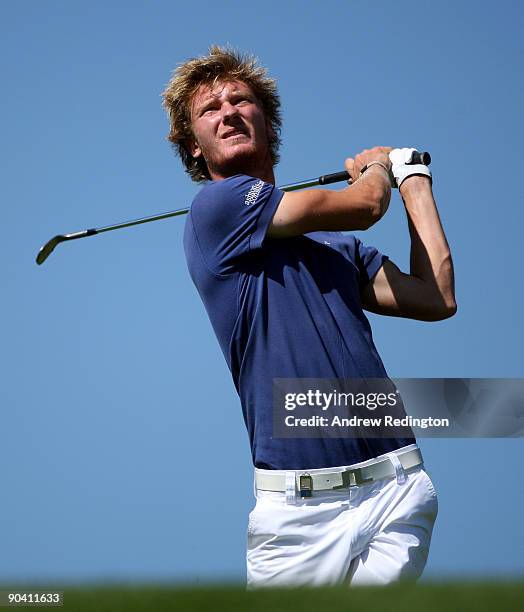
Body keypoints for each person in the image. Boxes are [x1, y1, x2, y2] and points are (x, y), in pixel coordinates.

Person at [161, 46, 456, 587]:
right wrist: (375, 172)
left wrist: (414, 181)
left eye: (241, 100)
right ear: (193, 148)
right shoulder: (216, 208)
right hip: (297, 516)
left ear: (268, 125)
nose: (228, 112)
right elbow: (366, 205)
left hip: (396, 487)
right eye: (210, 110)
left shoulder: (335, 247)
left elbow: (435, 298)